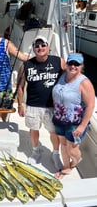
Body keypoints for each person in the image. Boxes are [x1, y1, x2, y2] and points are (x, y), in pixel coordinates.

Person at [17, 35, 66, 171]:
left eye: (43, 45)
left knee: (53, 132)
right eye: (37, 46)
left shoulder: (59, 61)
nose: (40, 48)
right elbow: (20, 87)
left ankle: (55, 154)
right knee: (33, 130)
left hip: (52, 106)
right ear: (33, 49)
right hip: (32, 105)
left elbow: (71, 77)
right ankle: (36, 151)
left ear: (48, 47)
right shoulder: (26, 65)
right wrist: (21, 105)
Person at [52, 53, 95, 178]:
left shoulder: (84, 83)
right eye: (71, 63)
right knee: (63, 145)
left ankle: (76, 161)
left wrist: (82, 126)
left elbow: (90, 106)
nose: (73, 66)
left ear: (81, 66)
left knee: (72, 149)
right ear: (66, 64)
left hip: (74, 123)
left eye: (77, 64)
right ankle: (66, 167)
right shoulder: (62, 76)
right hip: (59, 119)